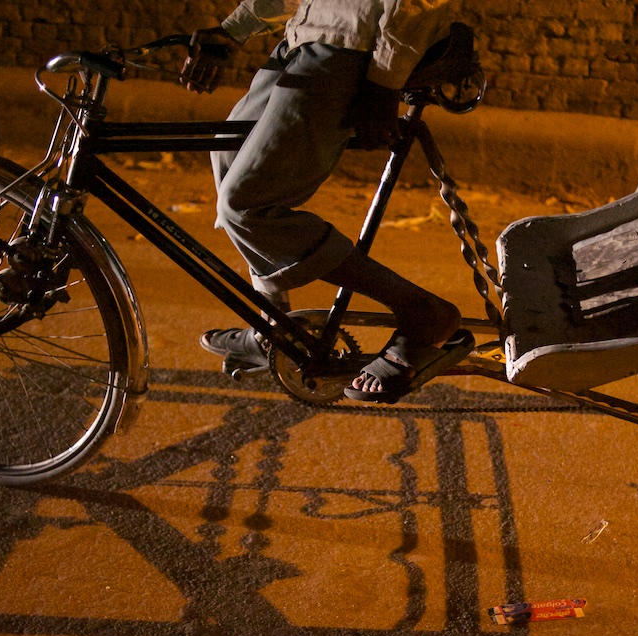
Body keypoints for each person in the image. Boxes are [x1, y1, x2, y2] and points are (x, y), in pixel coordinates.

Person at [181, 0, 474, 403]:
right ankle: (274, 326)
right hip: (303, 40)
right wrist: (234, 29)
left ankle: (424, 312)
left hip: (353, 47)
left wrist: (384, 79)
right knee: (227, 154)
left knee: (247, 204)